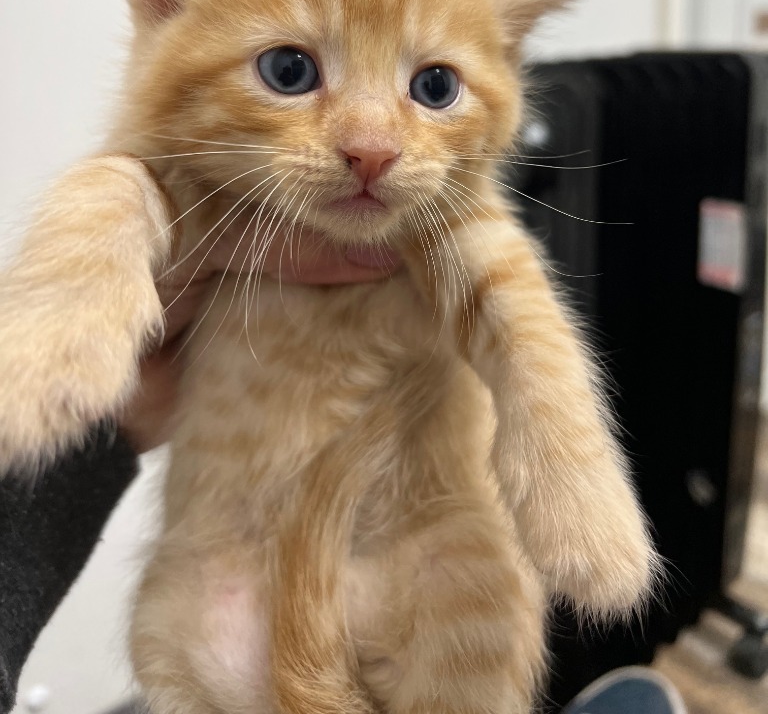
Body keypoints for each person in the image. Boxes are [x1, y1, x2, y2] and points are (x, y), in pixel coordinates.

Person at [0, 220, 687, 714]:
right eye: (292, 70)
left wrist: (563, 456)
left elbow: (497, 267)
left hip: (410, 557)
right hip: (244, 588)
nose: (369, 145)